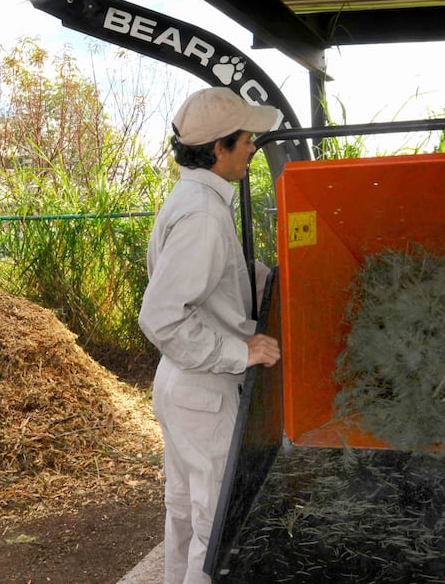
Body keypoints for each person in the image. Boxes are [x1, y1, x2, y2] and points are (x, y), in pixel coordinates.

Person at [138, 86, 282, 584]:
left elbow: (207, 279)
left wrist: (261, 278)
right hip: (204, 389)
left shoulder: (194, 198)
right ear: (219, 147)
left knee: (182, 513)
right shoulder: (203, 214)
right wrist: (239, 349)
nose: (251, 149)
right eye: (246, 140)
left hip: (180, 383)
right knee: (214, 528)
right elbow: (161, 317)